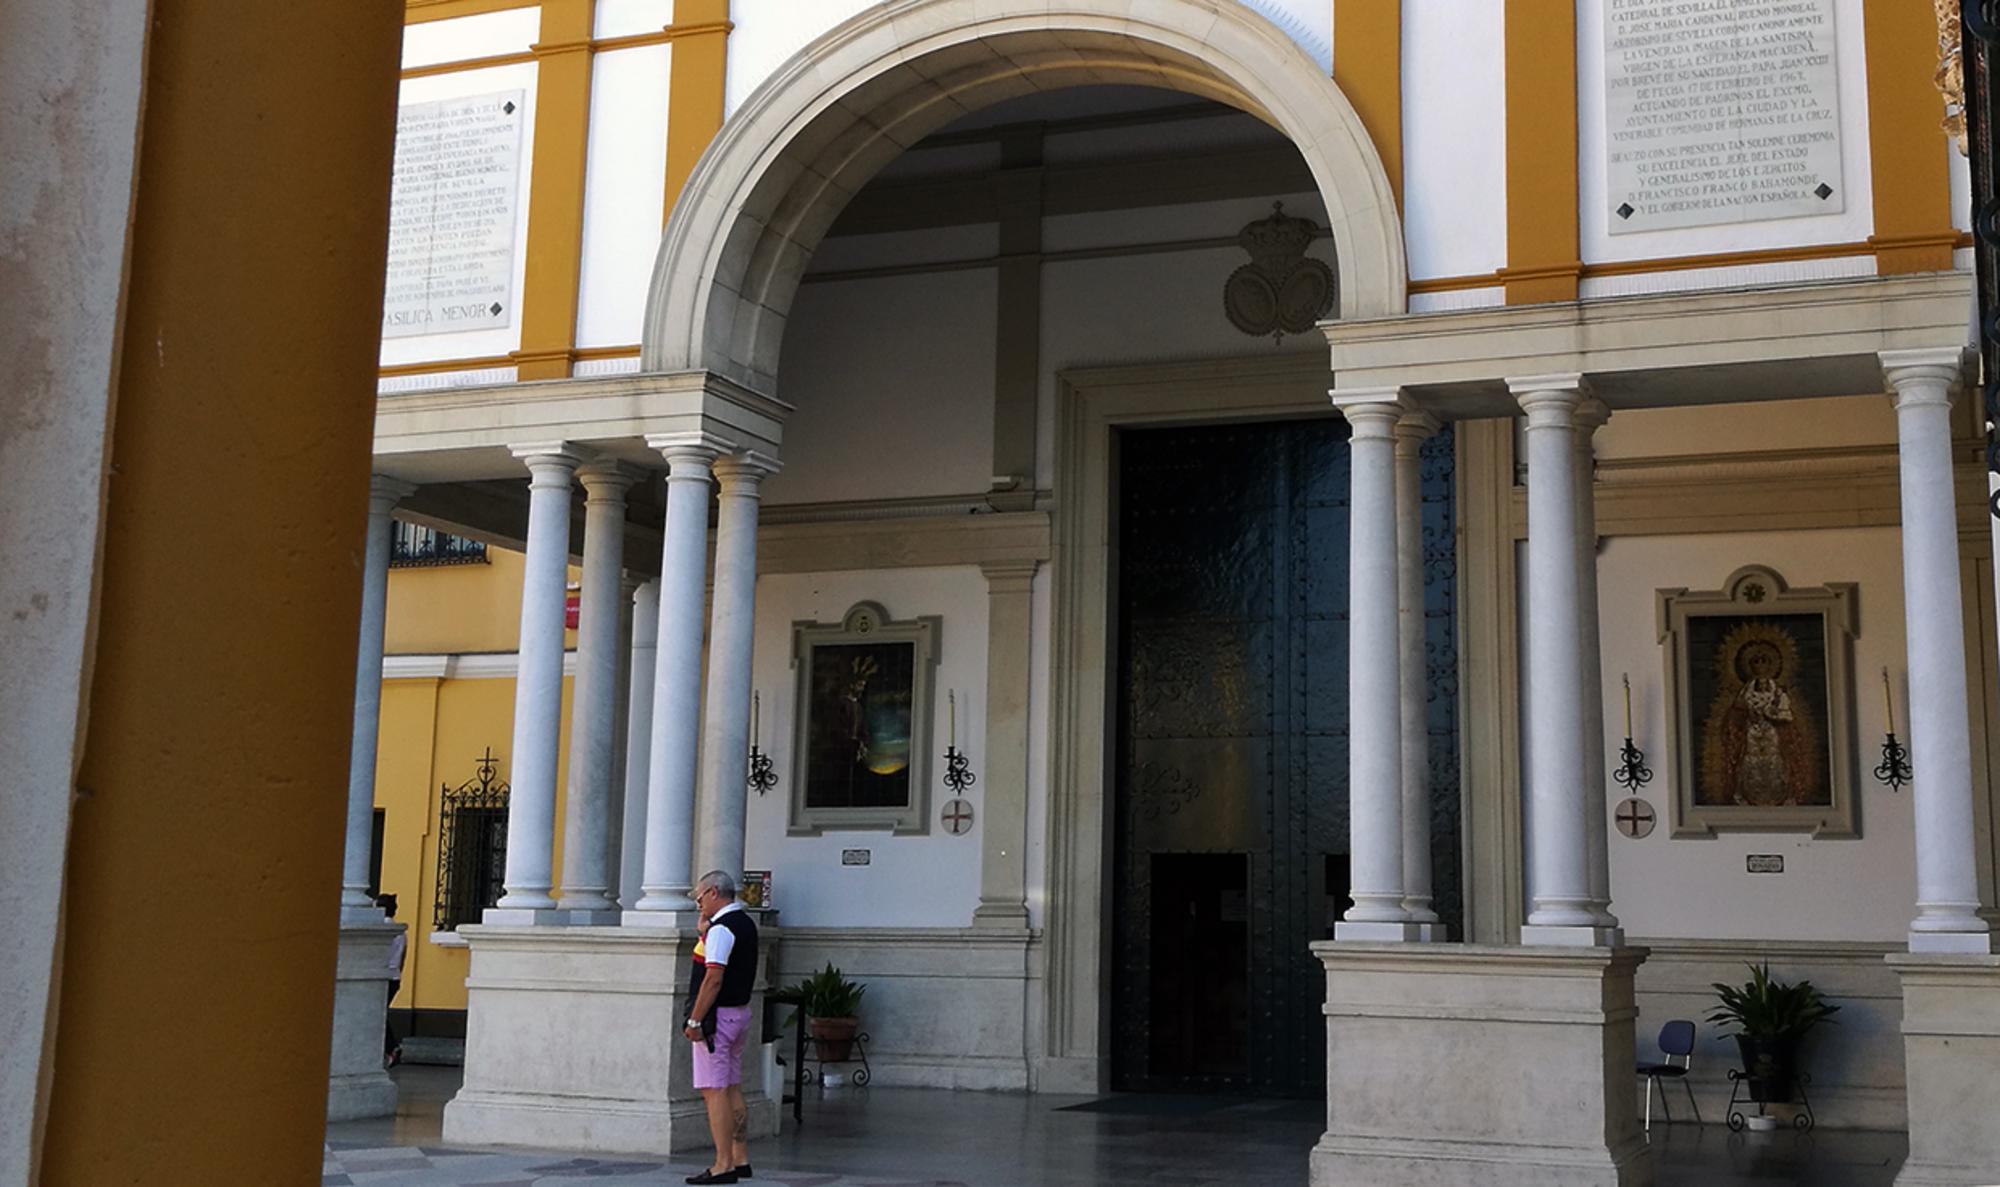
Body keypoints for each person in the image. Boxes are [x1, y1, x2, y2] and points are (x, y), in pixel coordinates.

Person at [683, 871, 759, 1185]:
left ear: (715, 892)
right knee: (732, 1086)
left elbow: (713, 978)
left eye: (700, 897)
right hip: (739, 1014)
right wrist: (704, 934)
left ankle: (722, 1163)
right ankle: (740, 1158)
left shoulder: (722, 930)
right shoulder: (745, 924)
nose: (698, 904)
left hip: (718, 1019)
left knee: (714, 1091)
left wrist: (694, 1020)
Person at [378, 893, 406, 1067]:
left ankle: (392, 1047)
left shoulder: (381, 930)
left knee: (378, 1015)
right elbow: (402, 957)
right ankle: (390, 1048)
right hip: (394, 976)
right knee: (381, 1013)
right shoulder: (401, 932)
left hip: (383, 976)